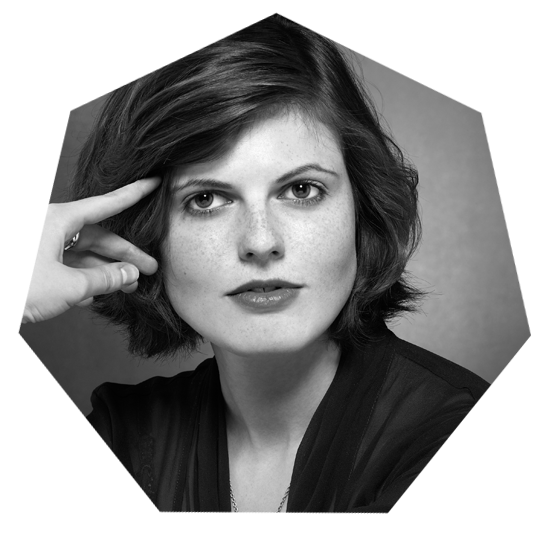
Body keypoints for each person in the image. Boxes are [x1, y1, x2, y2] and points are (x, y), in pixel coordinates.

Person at [17, 11, 531, 515]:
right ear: (145, 234)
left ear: (362, 210)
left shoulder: (484, 458)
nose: (261, 242)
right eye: (206, 200)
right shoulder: (127, 440)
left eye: (301, 190)